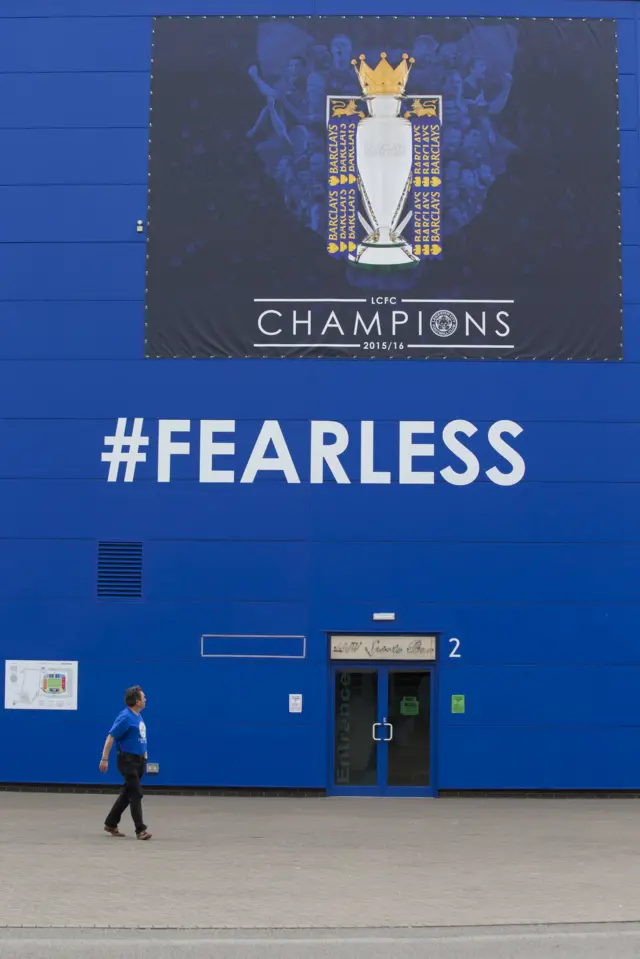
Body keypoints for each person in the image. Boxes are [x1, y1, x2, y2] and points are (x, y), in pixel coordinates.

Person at [100, 686, 152, 840]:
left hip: (139, 760)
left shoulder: (137, 716)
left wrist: (144, 753)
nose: (145, 699)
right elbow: (111, 737)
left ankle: (111, 823)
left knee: (127, 794)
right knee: (136, 793)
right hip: (127, 760)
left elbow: (139, 737)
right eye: (143, 697)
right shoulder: (125, 717)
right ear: (137, 701)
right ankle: (140, 830)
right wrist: (104, 758)